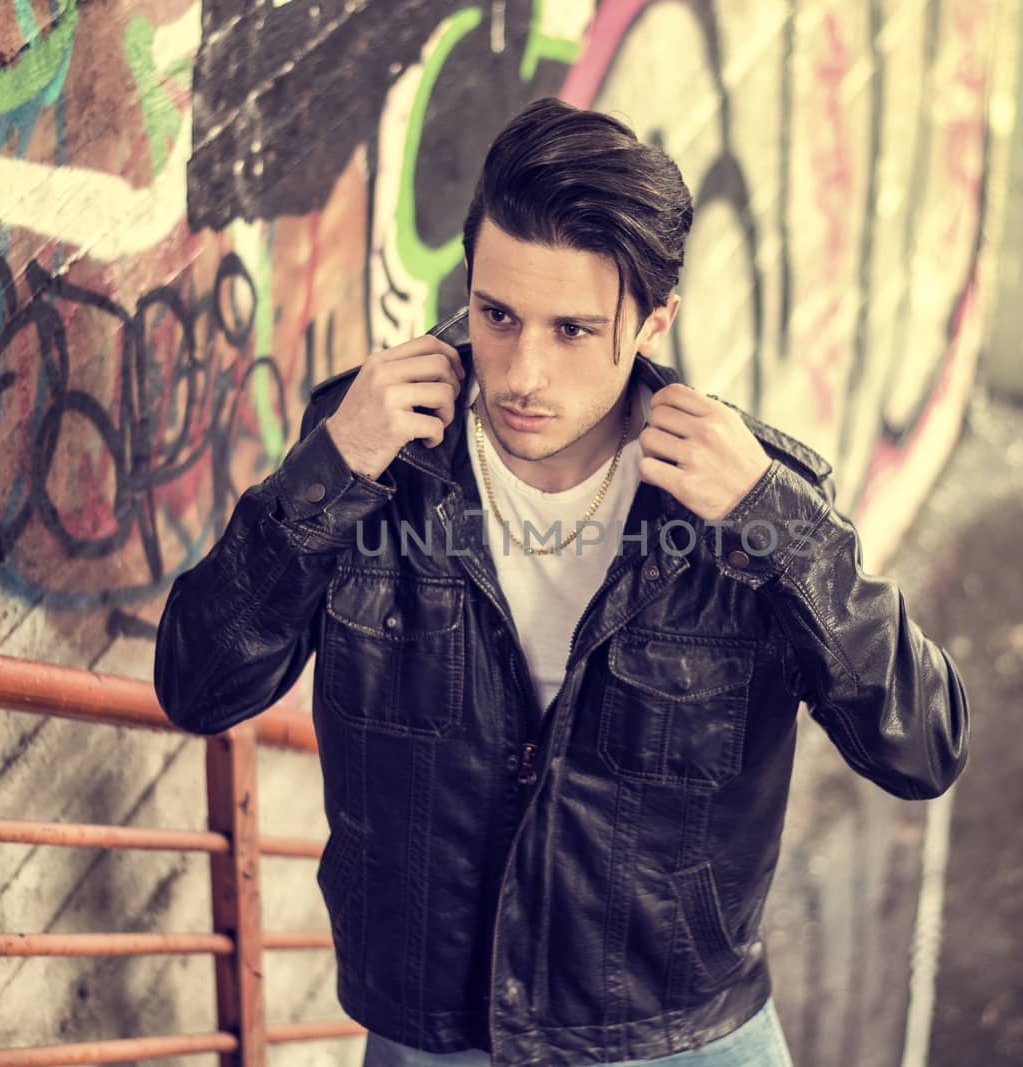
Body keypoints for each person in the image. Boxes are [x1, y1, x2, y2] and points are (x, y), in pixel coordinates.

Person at [154, 97, 968, 1067]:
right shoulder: (377, 453)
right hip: (434, 1034)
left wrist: (777, 525)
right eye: (496, 314)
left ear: (653, 319)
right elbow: (197, 686)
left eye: (574, 329)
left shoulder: (744, 502)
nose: (522, 372)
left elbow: (921, 747)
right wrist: (330, 467)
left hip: (674, 1035)